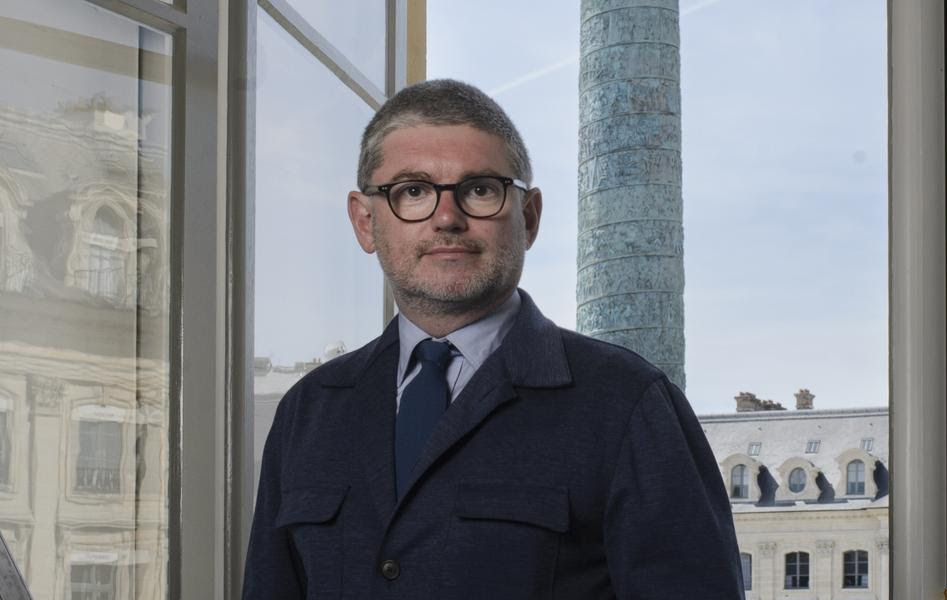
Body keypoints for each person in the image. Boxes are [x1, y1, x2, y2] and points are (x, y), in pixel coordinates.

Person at [243, 79, 743, 599]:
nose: (446, 218)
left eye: (480, 189)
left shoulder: (627, 403)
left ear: (528, 218)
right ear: (365, 222)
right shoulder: (309, 410)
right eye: (412, 191)